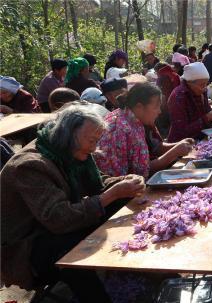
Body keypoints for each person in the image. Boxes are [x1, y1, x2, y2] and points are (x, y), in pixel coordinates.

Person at [1, 105, 146, 302]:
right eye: (92, 140)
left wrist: (124, 182)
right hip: (28, 246)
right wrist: (111, 195)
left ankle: (134, 268)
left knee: (123, 197)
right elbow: (58, 218)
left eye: (96, 141)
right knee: (71, 253)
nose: (95, 147)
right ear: (68, 134)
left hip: (55, 228)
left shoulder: (70, 150)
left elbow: (98, 184)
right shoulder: (30, 165)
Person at [95, 82, 194, 178]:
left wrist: (177, 146)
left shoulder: (132, 118)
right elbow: (142, 173)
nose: (159, 111)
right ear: (139, 106)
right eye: (156, 107)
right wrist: (174, 153)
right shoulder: (122, 127)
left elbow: (155, 148)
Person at [167, 62, 212, 142]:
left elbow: (207, 113)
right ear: (189, 82)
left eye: (206, 84)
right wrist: (208, 117)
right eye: (202, 84)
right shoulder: (178, 97)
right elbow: (181, 131)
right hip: (183, 144)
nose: (205, 88)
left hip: (203, 135)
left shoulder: (201, 91)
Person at [155, 62, 181, 135]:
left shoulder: (161, 77)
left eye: (156, 72)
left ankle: (164, 131)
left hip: (166, 102)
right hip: (177, 101)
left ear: (158, 70)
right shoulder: (175, 74)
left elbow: (159, 91)